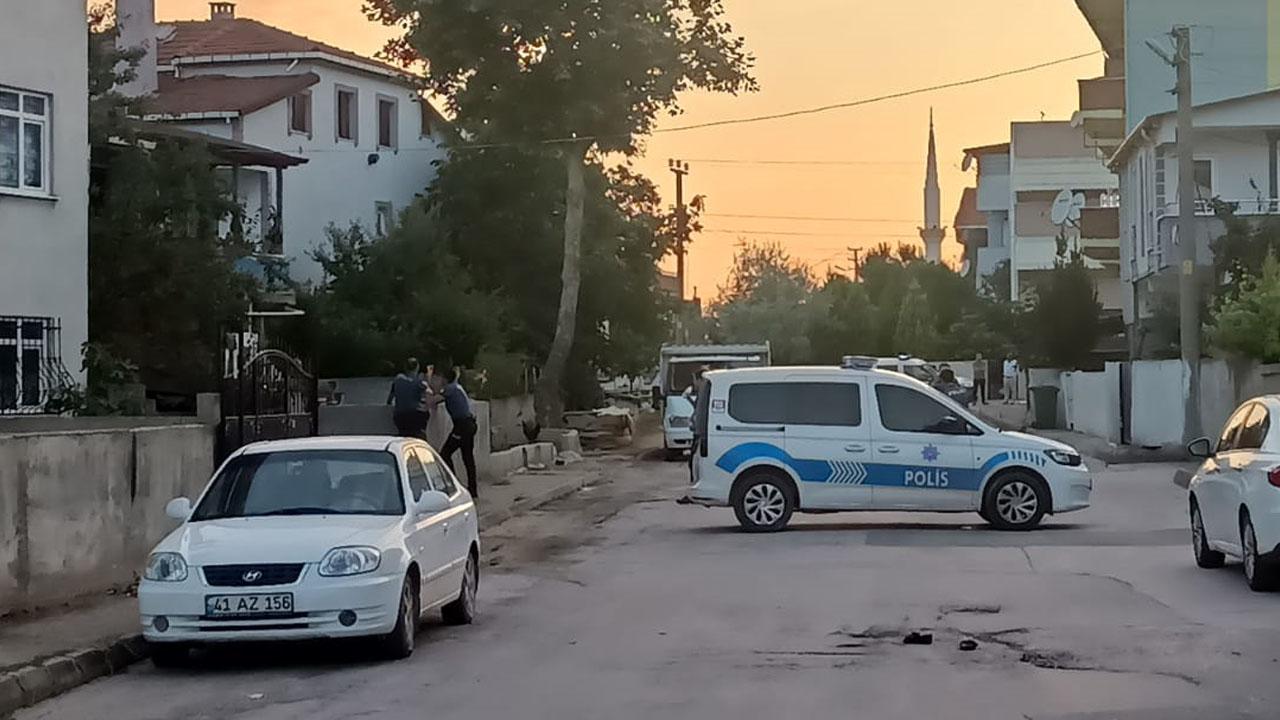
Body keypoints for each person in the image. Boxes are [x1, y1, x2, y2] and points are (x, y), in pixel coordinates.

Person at [432, 366, 479, 498]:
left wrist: (430, 387)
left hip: (462, 426)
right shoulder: (457, 387)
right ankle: (473, 490)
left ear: (445, 379)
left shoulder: (450, 389)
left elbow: (434, 400)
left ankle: (454, 485)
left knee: (445, 454)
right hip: (469, 424)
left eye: (441, 378)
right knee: (468, 458)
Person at [387, 358, 429, 439]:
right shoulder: (419, 383)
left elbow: (390, 398)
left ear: (405, 368)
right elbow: (430, 394)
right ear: (417, 367)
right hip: (414, 415)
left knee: (404, 433)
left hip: (399, 416)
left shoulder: (398, 379)